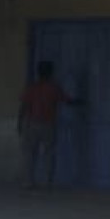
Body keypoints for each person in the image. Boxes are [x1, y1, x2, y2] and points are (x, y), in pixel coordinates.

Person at [17, 61, 76, 189]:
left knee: (30, 154)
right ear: (50, 73)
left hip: (32, 124)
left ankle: (27, 181)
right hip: (48, 125)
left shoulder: (32, 88)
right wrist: (80, 102)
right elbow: (67, 100)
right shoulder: (54, 88)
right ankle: (47, 182)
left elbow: (23, 107)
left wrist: (20, 123)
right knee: (48, 154)